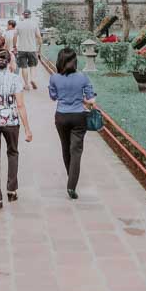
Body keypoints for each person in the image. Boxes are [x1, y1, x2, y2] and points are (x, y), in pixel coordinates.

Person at [0, 47, 32, 211]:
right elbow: (20, 105)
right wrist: (27, 129)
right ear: (9, 61)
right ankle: (11, 189)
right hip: (10, 120)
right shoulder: (15, 79)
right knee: (13, 152)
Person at [48, 47, 97, 200]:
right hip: (78, 117)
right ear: (75, 61)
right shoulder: (82, 77)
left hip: (61, 116)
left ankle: (71, 177)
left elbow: (53, 97)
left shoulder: (54, 77)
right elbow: (91, 100)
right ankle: (71, 185)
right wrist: (82, 99)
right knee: (76, 151)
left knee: (65, 148)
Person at [14, 9, 41, 91]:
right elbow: (39, 36)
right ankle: (32, 79)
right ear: (30, 15)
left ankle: (26, 85)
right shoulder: (34, 24)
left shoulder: (19, 24)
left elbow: (15, 36)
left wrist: (14, 46)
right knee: (32, 65)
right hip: (32, 48)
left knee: (24, 67)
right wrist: (39, 47)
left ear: (23, 15)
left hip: (21, 49)